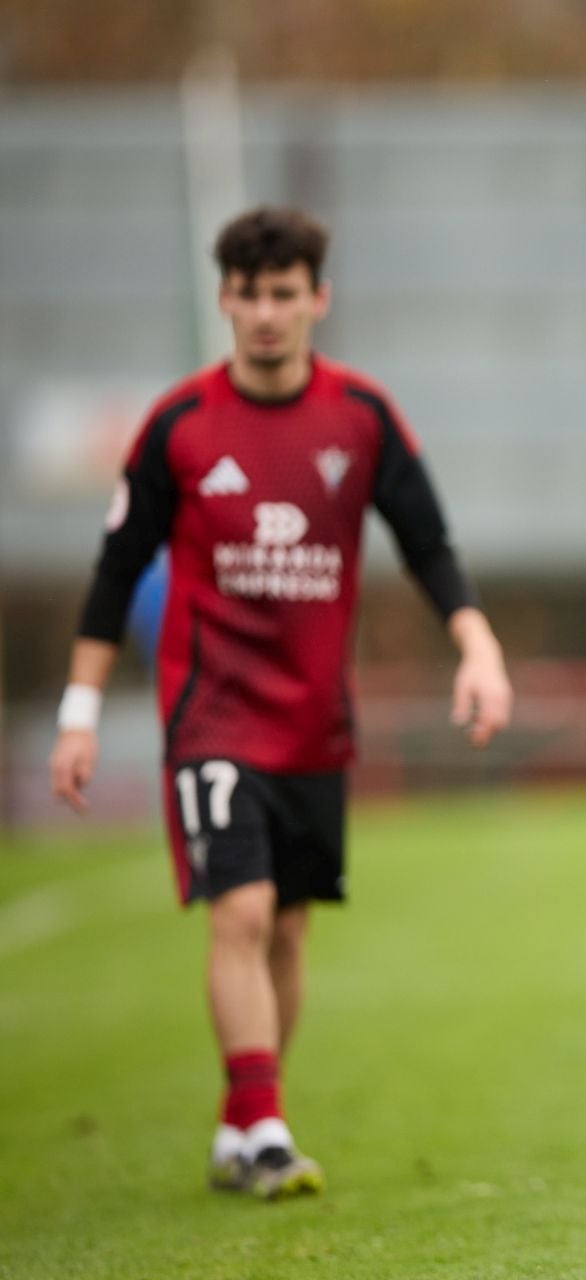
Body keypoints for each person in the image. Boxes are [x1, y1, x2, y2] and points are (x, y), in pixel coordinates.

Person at [47, 206, 513, 1200]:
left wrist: (476, 645)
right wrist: (80, 715)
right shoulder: (179, 426)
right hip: (211, 713)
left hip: (312, 718)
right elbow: (115, 568)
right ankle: (265, 1128)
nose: (266, 312)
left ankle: (239, 1113)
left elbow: (428, 545)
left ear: (318, 298)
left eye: (284, 293)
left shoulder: (363, 418)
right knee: (243, 907)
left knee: (290, 926)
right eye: (249, 294)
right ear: (224, 299)